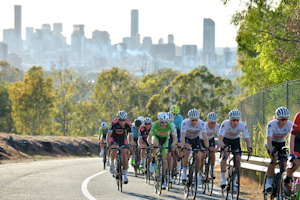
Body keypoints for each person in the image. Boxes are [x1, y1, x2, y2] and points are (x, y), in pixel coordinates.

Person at [218, 109, 252, 192]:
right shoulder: (225, 124)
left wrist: (249, 147)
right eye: (233, 120)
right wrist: (224, 146)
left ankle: (234, 181)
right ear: (230, 120)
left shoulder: (242, 125)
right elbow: (220, 139)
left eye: (237, 120)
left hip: (235, 141)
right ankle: (222, 179)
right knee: (225, 156)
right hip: (225, 139)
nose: (235, 122)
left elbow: (247, 139)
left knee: (238, 160)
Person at [260, 107, 292, 193]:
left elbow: (292, 139)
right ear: (277, 118)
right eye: (282, 119)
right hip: (272, 143)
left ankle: (284, 184)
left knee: (284, 163)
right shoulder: (271, 124)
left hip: (282, 144)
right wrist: (272, 151)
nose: (284, 122)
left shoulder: (289, 124)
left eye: (286, 119)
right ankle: (268, 183)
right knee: (274, 159)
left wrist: (291, 150)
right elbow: (269, 140)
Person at [179, 108, 209, 188]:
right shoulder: (185, 122)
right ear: (189, 119)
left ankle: (195, 176)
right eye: (192, 120)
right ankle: (184, 173)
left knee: (198, 157)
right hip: (187, 138)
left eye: (196, 120)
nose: (194, 122)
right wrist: (183, 145)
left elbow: (205, 137)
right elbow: (182, 136)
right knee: (187, 150)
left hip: (196, 139)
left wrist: (207, 147)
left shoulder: (201, 123)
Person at [147, 112, 177, 189]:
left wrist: (173, 144)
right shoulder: (155, 124)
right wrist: (150, 144)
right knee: (155, 145)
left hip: (165, 139)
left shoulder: (170, 125)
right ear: (159, 121)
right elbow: (149, 137)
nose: (164, 124)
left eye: (165, 122)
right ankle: (153, 161)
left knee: (164, 160)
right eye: (162, 122)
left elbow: (175, 138)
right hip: (156, 137)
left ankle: (163, 181)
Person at [107, 111, 132, 184]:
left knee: (124, 154)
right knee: (114, 150)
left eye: (123, 120)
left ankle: (125, 176)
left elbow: (130, 136)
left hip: (122, 137)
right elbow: (108, 135)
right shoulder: (113, 123)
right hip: (113, 137)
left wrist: (130, 144)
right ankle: (112, 164)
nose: (122, 122)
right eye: (120, 120)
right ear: (118, 119)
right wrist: (108, 145)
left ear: (126, 119)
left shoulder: (129, 124)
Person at [283, 111, 300, 196]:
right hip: (297, 140)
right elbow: (292, 136)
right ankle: (287, 179)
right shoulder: (299, 115)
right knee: (296, 163)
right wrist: (291, 154)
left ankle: (298, 183)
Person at [199, 112, 220, 178]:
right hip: (201, 140)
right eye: (211, 123)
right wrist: (202, 147)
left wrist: (217, 148)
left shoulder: (217, 126)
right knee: (202, 156)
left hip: (210, 139)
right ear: (208, 121)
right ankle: (200, 172)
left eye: (214, 122)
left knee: (212, 153)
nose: (213, 124)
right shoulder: (204, 125)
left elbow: (220, 138)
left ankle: (212, 171)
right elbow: (198, 139)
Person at [167, 112, 178, 183]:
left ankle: (170, 174)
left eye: (171, 121)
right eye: (168, 121)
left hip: (169, 139)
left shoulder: (173, 126)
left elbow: (175, 138)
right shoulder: (160, 124)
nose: (170, 123)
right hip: (161, 138)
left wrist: (173, 145)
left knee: (170, 157)